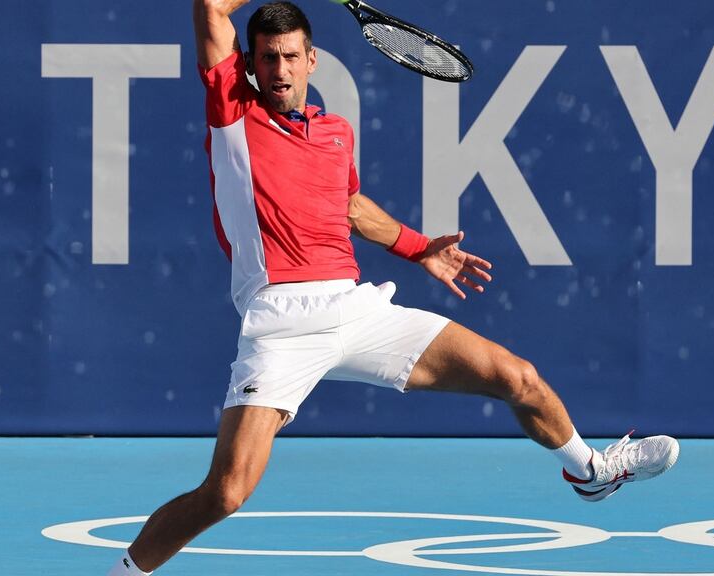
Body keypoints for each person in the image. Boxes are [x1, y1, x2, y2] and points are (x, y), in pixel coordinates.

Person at [106, 1, 679, 574]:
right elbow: (211, 7)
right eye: (266, 58)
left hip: (357, 310)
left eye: (289, 56)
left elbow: (350, 206)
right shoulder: (233, 111)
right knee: (226, 493)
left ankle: (591, 471)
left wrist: (416, 246)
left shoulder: (335, 132)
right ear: (250, 66)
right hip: (279, 324)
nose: (279, 69)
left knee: (517, 376)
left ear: (311, 61)